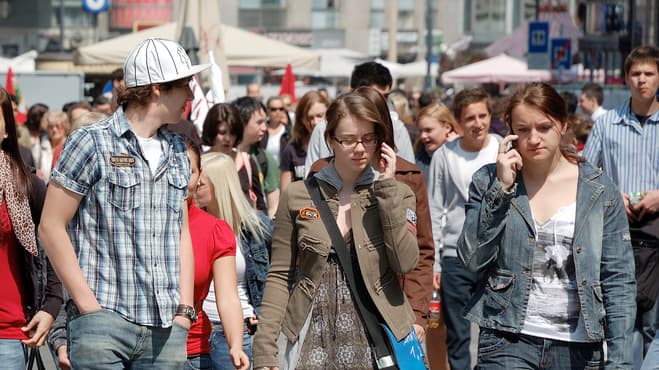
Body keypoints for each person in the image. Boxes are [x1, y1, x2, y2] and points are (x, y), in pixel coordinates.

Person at [38, 37, 208, 369]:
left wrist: (185, 311)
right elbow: (50, 226)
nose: (190, 93)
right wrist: (88, 305)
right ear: (157, 88)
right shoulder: (90, 142)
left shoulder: (177, 150)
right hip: (104, 320)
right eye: (185, 84)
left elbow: (181, 232)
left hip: (165, 326)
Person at [458, 82, 636, 368]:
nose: (533, 138)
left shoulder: (598, 189)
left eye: (544, 127)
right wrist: (501, 189)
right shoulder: (489, 181)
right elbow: (472, 258)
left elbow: (618, 279)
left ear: (563, 124)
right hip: (507, 338)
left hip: (578, 347)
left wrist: (620, 361)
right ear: (510, 131)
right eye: (523, 129)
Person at [252, 91, 419, 369]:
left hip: (374, 338)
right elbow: (280, 275)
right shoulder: (297, 195)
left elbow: (406, 262)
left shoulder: (397, 194)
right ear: (330, 140)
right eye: (349, 140)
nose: (360, 148)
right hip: (310, 334)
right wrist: (265, 348)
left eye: (368, 138)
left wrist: (387, 191)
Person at [307, 86, 435, 343]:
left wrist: (419, 315)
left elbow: (421, 252)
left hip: (392, 307)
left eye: (369, 132)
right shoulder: (322, 172)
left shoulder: (407, 177)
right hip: (332, 306)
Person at [583, 45, 659, 368]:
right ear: (626, 78)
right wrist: (616, 197)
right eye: (636, 73)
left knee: (653, 324)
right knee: (622, 321)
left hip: (657, 234)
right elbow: (586, 175)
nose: (642, 80)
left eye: (649, 73)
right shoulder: (607, 124)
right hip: (618, 233)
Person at [427, 87, 500, 370]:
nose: (478, 123)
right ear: (458, 122)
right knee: (458, 334)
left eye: (483, 116)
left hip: (496, 252)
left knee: (493, 332)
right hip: (455, 253)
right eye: (470, 118)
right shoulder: (445, 155)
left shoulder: (502, 147)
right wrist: (434, 262)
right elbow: (435, 209)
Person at [0, 87, 62, 369]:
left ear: (5, 129)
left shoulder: (26, 184)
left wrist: (51, 305)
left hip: (9, 335)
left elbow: (58, 239)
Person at [196, 152, 272, 370]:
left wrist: (265, 312)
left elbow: (284, 272)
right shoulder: (191, 224)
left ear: (218, 187)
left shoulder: (257, 228)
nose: (193, 188)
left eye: (201, 184)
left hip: (239, 333)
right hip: (197, 332)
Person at [184, 141, 249, 370]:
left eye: (189, 171)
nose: (180, 178)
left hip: (193, 352)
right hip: (139, 352)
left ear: (199, 175)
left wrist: (236, 344)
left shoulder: (214, 230)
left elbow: (228, 296)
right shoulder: (135, 222)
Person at [304, 61, 415, 174]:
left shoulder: (397, 128)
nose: (380, 102)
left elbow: (409, 174)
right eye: (348, 140)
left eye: (385, 96)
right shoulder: (323, 128)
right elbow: (310, 180)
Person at [201, 103, 267, 212]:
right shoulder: (200, 162)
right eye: (222, 132)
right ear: (212, 132)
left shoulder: (247, 162)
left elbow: (260, 205)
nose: (227, 138)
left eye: (232, 133)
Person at [234, 96, 280, 219]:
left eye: (265, 122)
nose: (264, 128)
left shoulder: (264, 158)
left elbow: (273, 206)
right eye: (259, 122)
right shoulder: (225, 157)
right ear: (241, 123)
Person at [280, 90, 329, 190]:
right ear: (301, 120)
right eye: (309, 118)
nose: (315, 122)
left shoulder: (338, 146)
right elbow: (285, 192)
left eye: (319, 116)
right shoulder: (291, 150)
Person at [414, 101, 460, 179]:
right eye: (420, 131)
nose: (423, 136)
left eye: (428, 130)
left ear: (447, 128)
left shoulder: (461, 155)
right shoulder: (419, 158)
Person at [262, 96, 291, 164]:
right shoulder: (262, 130)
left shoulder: (288, 131)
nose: (278, 112)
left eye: (281, 109)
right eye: (274, 109)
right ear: (267, 111)